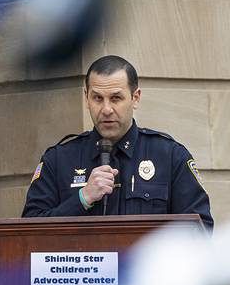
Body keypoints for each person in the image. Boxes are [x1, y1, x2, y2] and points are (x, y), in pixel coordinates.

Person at [22, 55, 212, 230]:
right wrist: (82, 199)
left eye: (116, 98)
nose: (106, 109)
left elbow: (199, 229)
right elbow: (29, 230)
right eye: (97, 98)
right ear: (86, 98)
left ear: (135, 98)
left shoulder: (169, 156)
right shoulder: (59, 159)